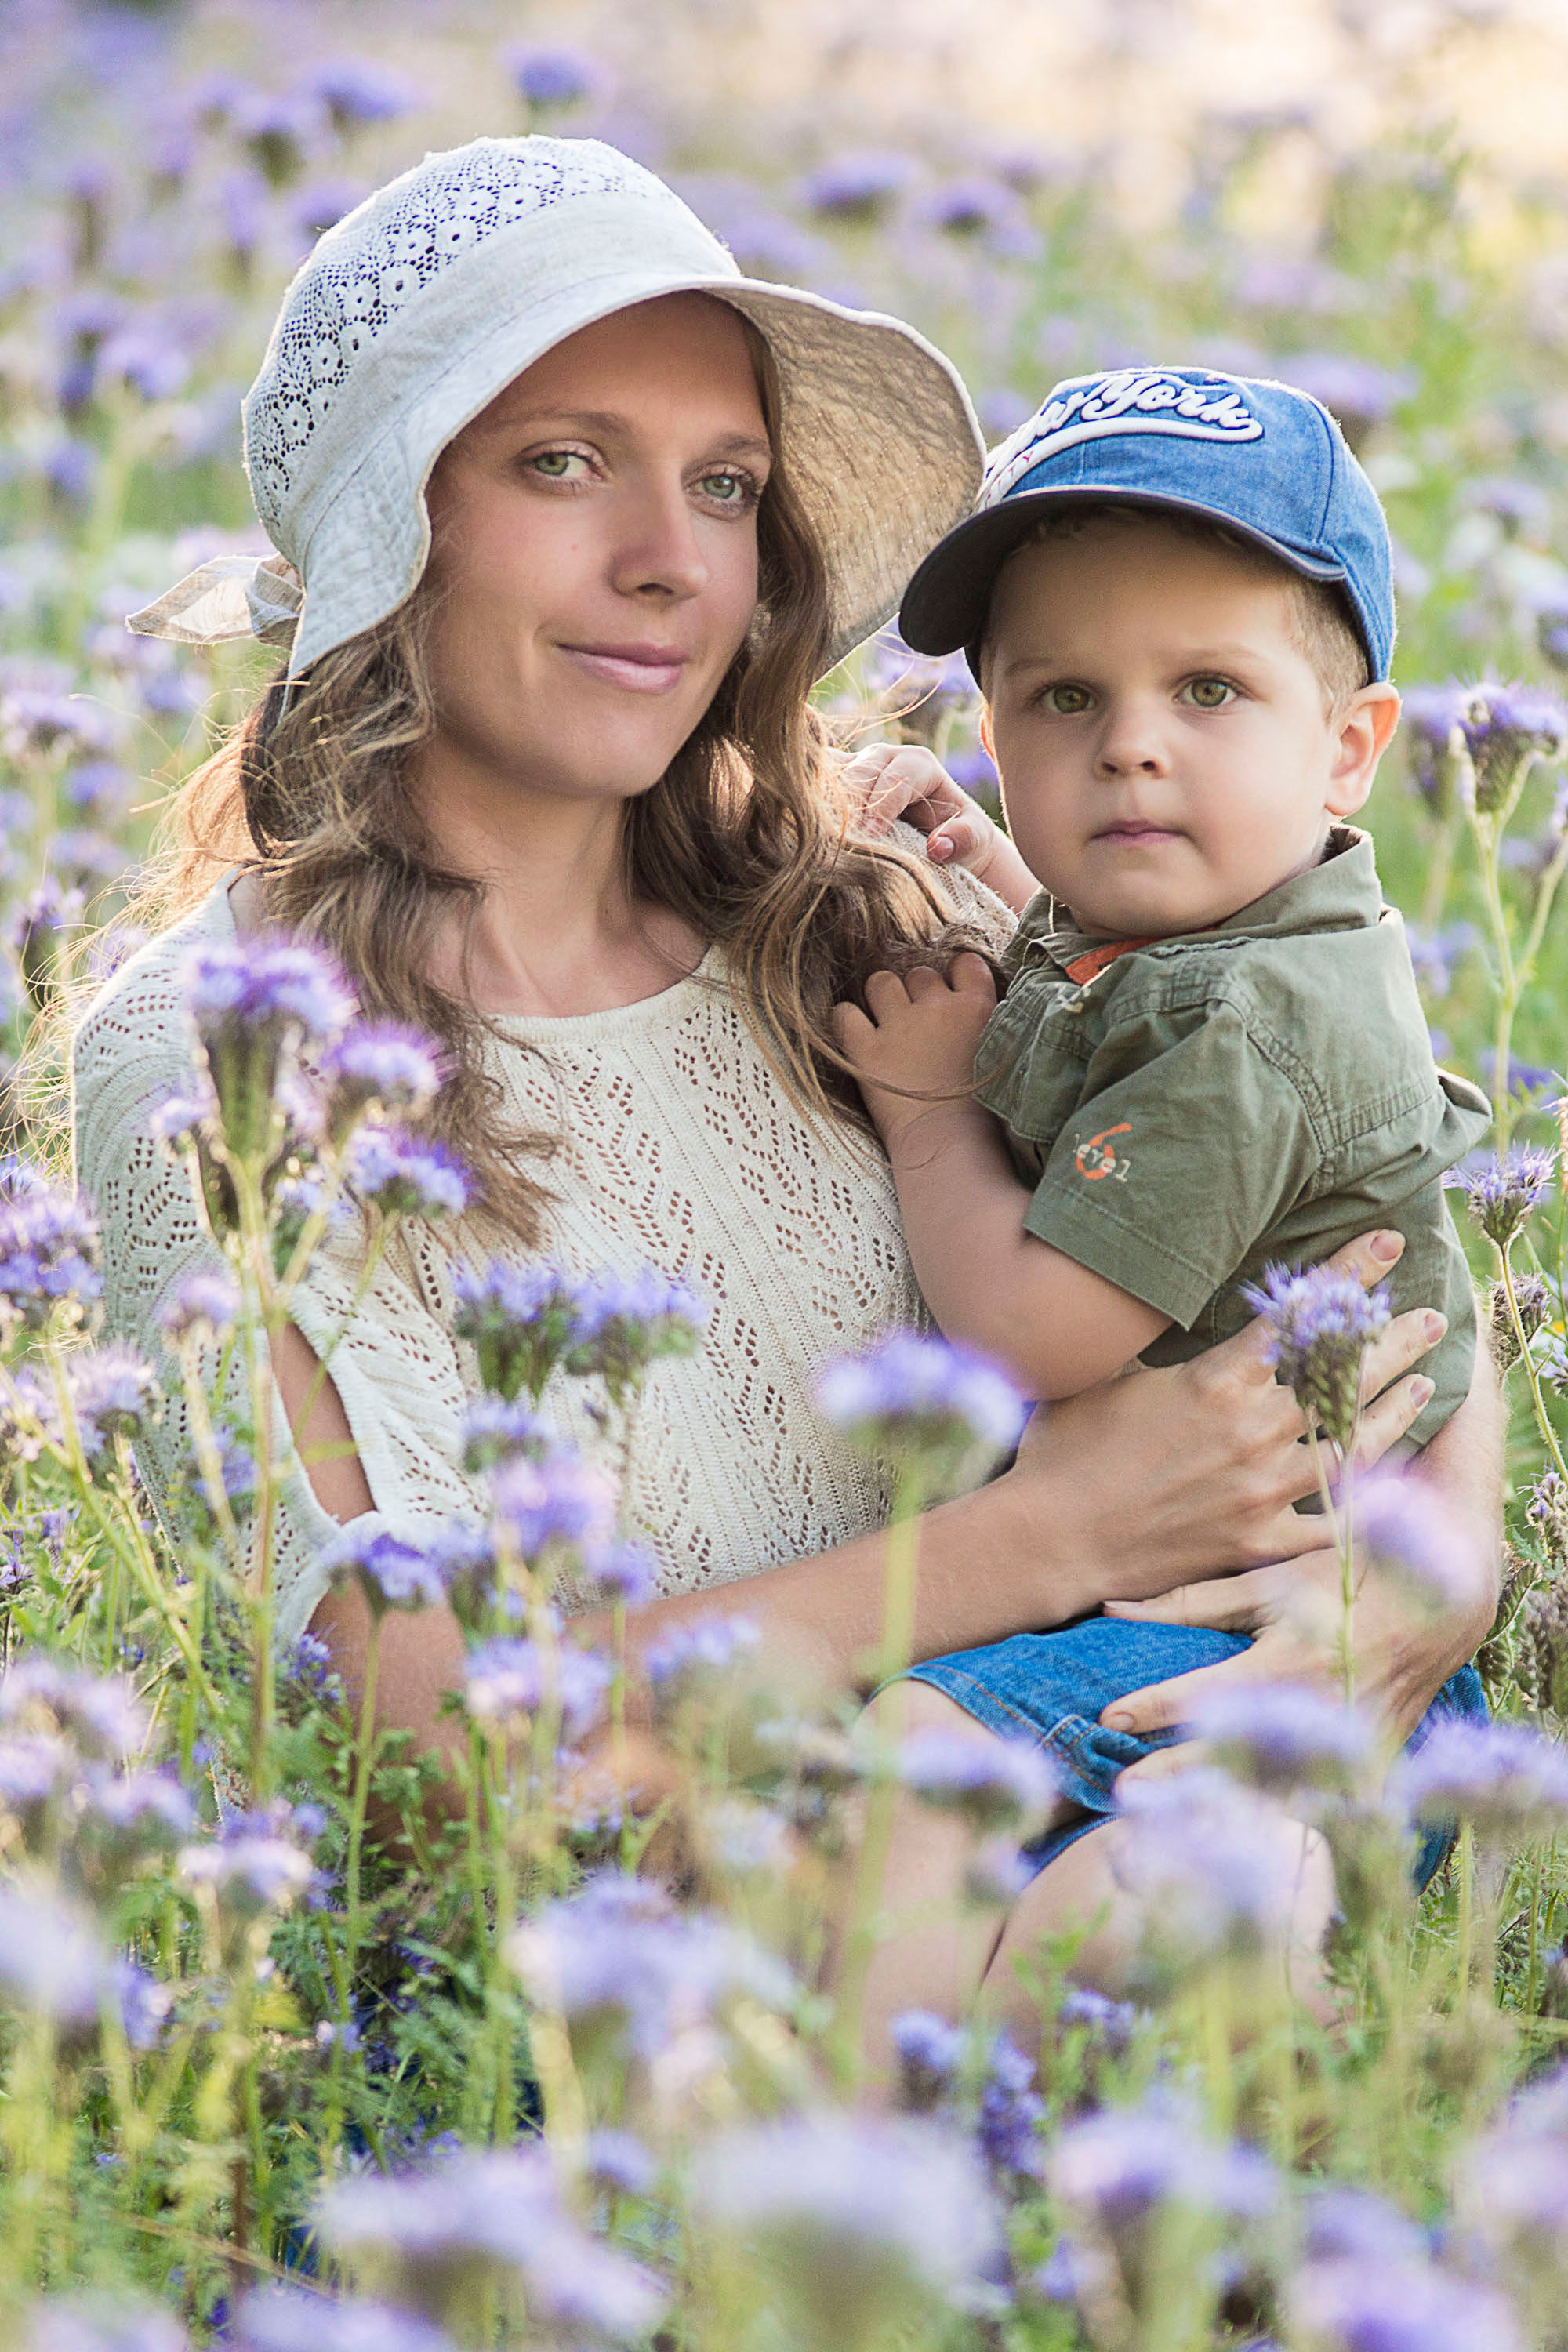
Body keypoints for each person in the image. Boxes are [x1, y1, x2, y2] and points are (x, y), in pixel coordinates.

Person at [68, 149, 1499, 2081]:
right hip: (610, 2039)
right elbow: (422, 1769)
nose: (674, 557)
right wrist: (1043, 1537)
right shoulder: (229, 1062)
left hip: (1113, 1789)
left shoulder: (856, 914)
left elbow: (1321, 1175)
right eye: (562, 463)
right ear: (385, 527)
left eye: (725, 486)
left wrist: (1438, 1565)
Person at [835, 367, 1492, 2039]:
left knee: (917, 1793)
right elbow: (1100, 1005)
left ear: (1348, 750)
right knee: (1053, 1892)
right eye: (1060, 699)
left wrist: (922, 1111)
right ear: (990, 736)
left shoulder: (1245, 1020)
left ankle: (846, 2216)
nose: (1128, 743)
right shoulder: (1220, 924)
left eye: (1207, 689)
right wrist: (1002, 889)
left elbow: (1041, 1330)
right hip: (1220, 1598)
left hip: (1246, 1625)